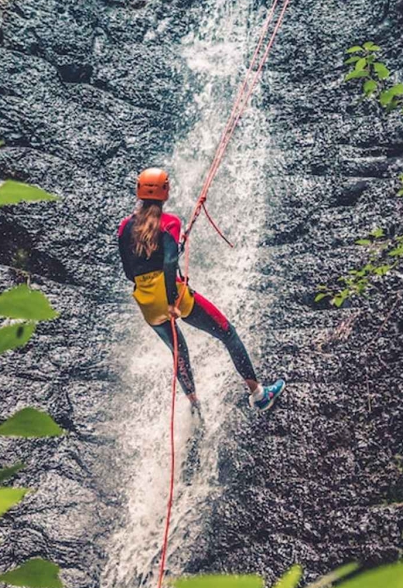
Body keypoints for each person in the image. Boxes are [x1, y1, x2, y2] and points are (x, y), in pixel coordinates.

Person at [117, 167, 285, 412]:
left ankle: (195, 406)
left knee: (179, 352)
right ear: (165, 192)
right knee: (227, 333)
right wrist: (173, 300)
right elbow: (168, 262)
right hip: (173, 296)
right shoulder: (170, 223)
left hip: (146, 302)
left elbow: (129, 272)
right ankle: (259, 394)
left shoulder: (124, 227)